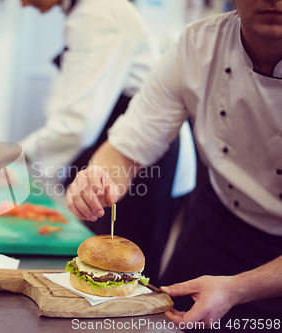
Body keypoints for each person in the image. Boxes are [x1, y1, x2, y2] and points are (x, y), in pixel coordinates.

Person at [67, 0, 282, 328]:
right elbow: (127, 146)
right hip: (216, 224)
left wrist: (236, 289)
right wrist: (98, 179)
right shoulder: (198, 46)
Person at [19, 0, 196, 280]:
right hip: (116, 153)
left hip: (144, 157)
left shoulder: (99, 14)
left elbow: (78, 124)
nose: (22, 3)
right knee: (99, 261)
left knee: (127, 270)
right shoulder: (86, 13)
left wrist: (18, 155)